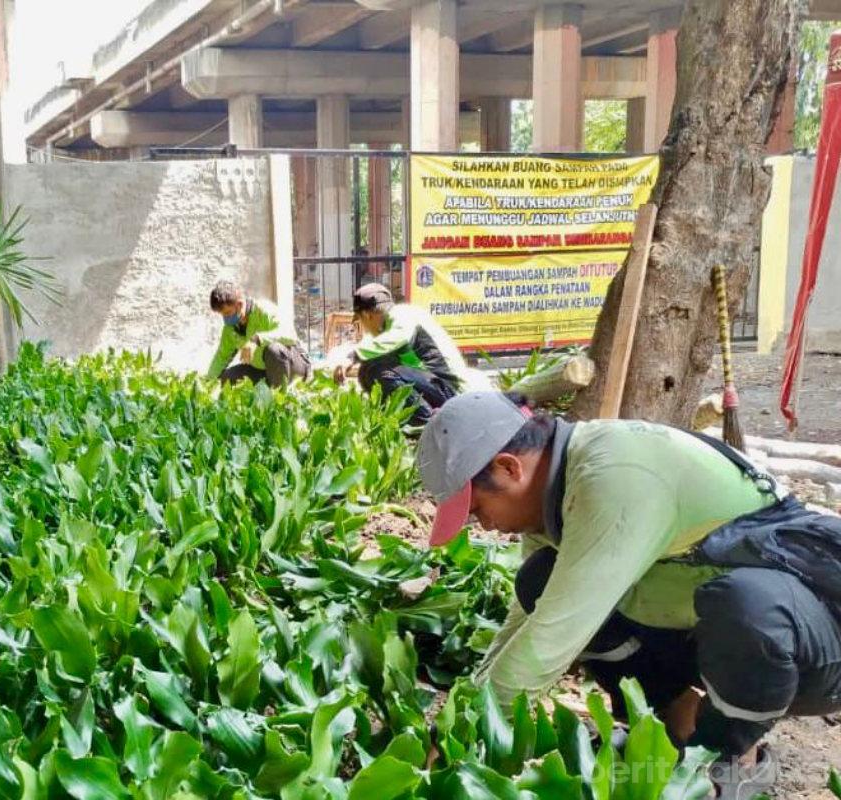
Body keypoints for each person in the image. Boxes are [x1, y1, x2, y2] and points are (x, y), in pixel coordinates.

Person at [417, 391, 841, 798]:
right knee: (538, 580)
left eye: (477, 510)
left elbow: (551, 640)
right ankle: (680, 731)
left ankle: (729, 760)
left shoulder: (612, 476)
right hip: (708, 624)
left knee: (744, 603)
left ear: (510, 468)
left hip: (812, 642)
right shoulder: (554, 491)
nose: (485, 527)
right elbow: (526, 619)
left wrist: (459, 739)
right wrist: (460, 713)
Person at [334, 283, 492, 425]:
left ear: (367, 316)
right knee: (368, 369)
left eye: (360, 322)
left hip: (451, 390)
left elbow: (396, 339)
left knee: (377, 370)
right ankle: (398, 420)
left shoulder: (403, 316)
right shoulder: (394, 321)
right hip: (437, 385)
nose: (364, 329)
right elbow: (377, 344)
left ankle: (428, 424)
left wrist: (354, 356)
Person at [206, 280, 309, 387]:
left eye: (227, 313)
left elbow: (290, 335)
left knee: (274, 350)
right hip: (263, 370)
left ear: (240, 304)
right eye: (222, 315)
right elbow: (221, 357)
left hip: (294, 365)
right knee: (226, 379)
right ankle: (267, 391)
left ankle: (279, 399)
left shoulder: (264, 310)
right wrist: (207, 383)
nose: (225, 318)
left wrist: (256, 340)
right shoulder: (230, 329)